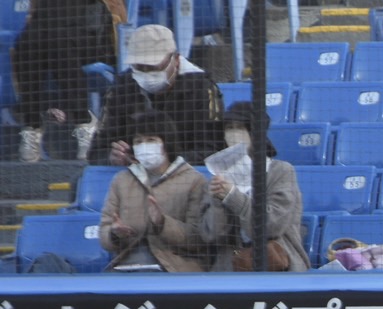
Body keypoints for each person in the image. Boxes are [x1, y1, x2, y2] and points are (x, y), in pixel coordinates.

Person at [90, 23, 226, 166]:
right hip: (132, 175)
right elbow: (96, 152)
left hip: (185, 175)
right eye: (139, 67)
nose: (146, 73)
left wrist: (165, 163)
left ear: (176, 60)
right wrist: (112, 158)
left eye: (153, 67)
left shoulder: (203, 88)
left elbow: (212, 150)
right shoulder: (122, 87)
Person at [98, 110, 215, 273]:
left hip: (174, 268)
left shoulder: (195, 181)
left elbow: (196, 239)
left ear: (166, 142)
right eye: (138, 141)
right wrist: (114, 233)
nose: (144, 146)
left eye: (151, 140)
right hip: (126, 267)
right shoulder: (121, 180)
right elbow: (104, 232)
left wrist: (162, 223)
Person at [11, 0, 123, 162]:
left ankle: (83, 122)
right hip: (46, 35)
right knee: (26, 42)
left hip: (91, 33)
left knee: (57, 40)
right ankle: (32, 125)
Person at [208, 103, 310, 272]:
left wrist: (233, 196)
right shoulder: (219, 174)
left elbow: (271, 226)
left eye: (240, 127)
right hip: (231, 266)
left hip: (276, 263)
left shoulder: (281, 171)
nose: (233, 134)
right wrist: (217, 201)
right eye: (229, 128)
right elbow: (212, 235)